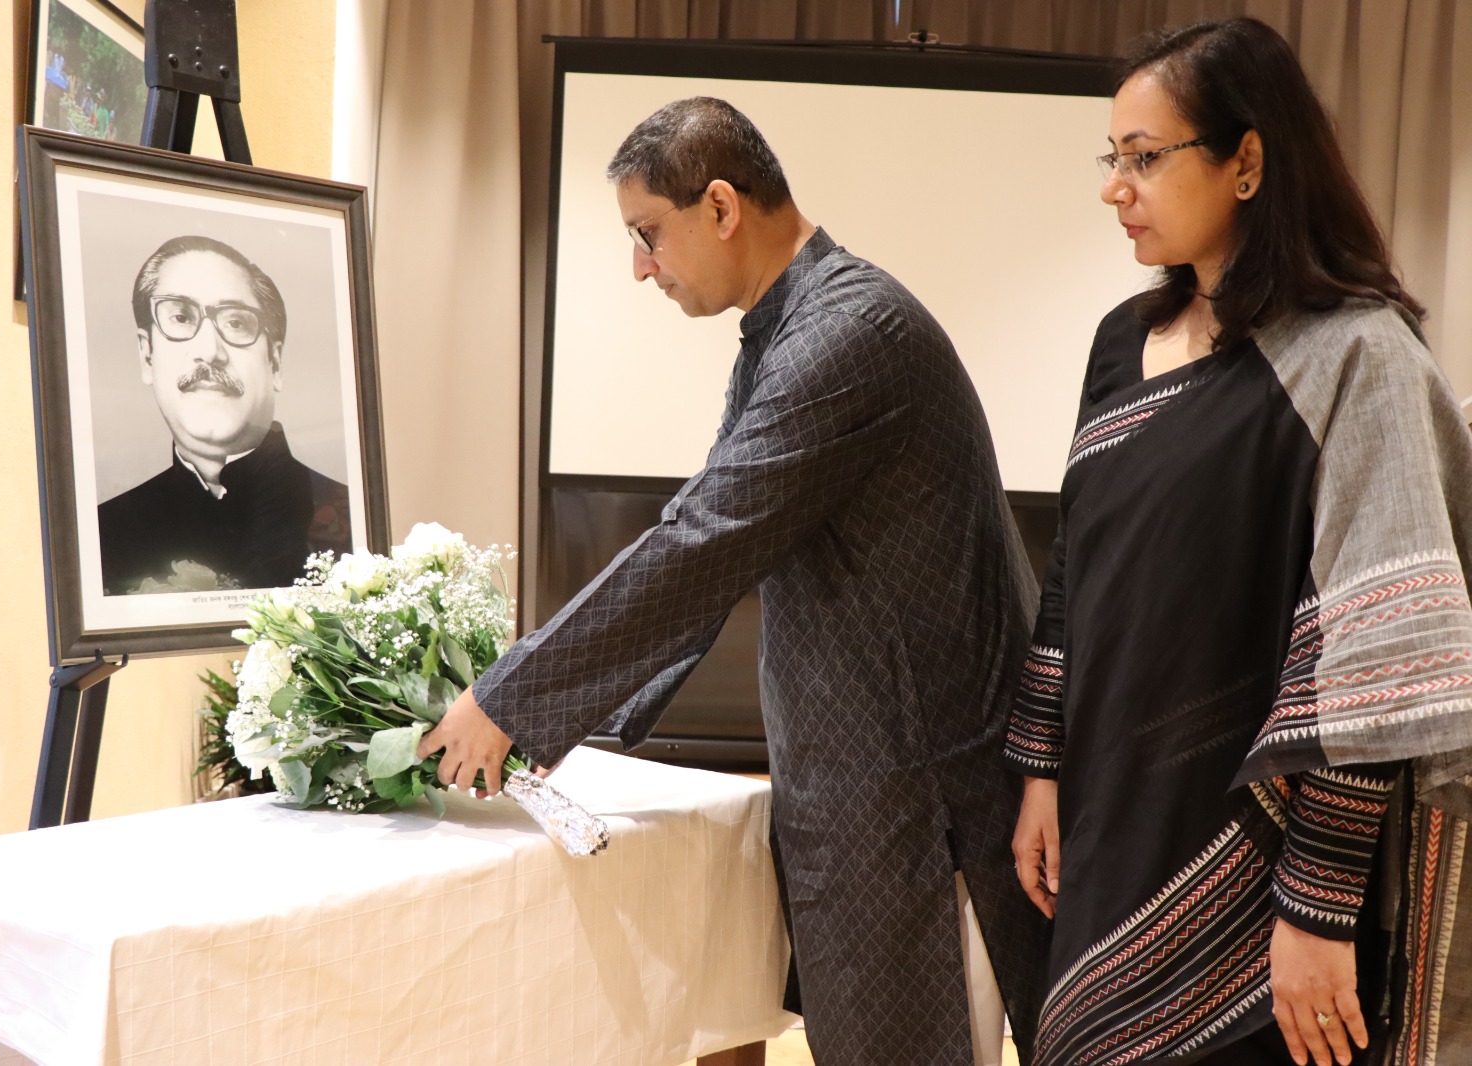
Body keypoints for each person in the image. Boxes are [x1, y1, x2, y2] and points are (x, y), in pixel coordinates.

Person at [419, 97, 1051, 1065]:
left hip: (917, 799)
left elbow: (701, 541)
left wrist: (510, 699)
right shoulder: (792, 321)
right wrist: (554, 712)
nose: (640, 268)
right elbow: (712, 540)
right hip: (873, 782)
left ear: (719, 206)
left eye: (647, 235)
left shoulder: (850, 332)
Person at [1004, 18, 1472, 1066]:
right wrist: (1041, 768)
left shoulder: (1358, 356)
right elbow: (1075, 561)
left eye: (1143, 157)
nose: (1112, 187)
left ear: (1247, 160)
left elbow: (1377, 669)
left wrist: (1315, 906)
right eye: (1110, 158)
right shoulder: (1121, 341)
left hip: (1258, 854)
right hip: (1111, 808)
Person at [98, 235, 350, 595]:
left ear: (274, 362)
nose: (209, 351)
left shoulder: (348, 514)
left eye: (235, 323)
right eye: (181, 318)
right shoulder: (108, 528)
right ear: (147, 356)